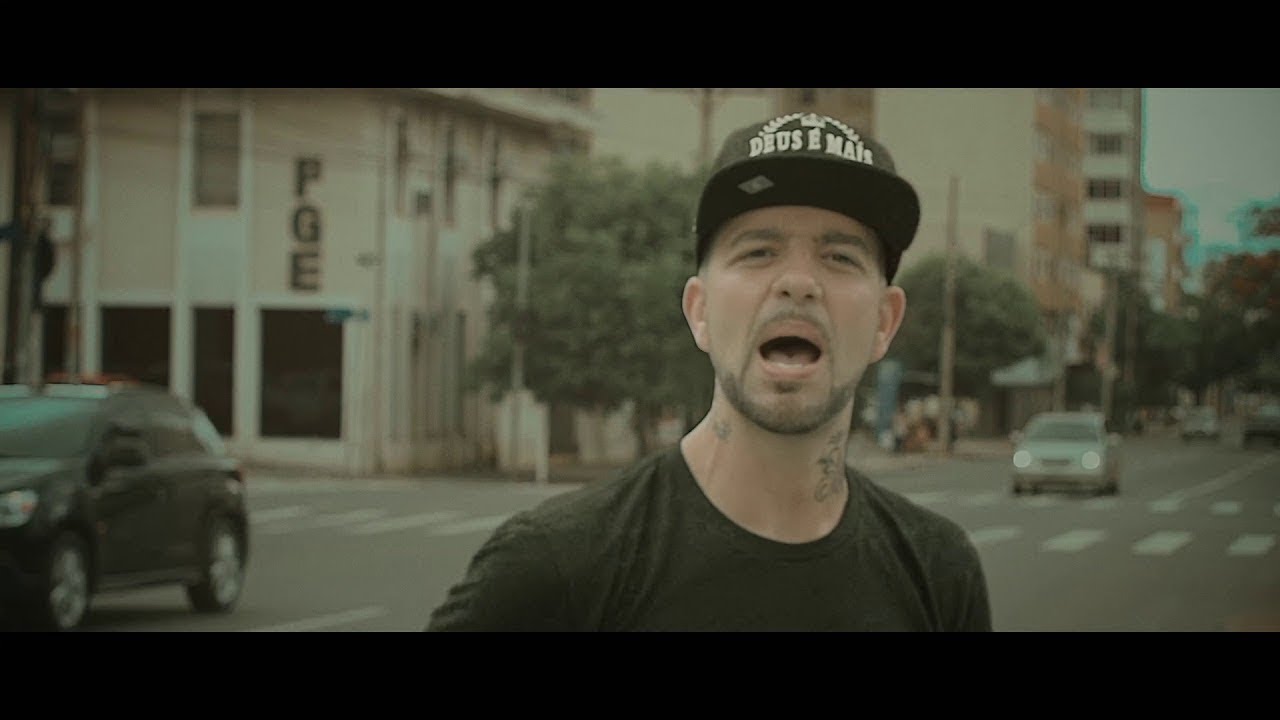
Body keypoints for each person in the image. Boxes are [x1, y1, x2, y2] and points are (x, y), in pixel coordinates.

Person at [425, 111, 992, 631]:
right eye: (758, 252)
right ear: (699, 311)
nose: (799, 282)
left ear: (884, 322)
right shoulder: (557, 564)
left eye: (840, 257)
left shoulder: (940, 572)